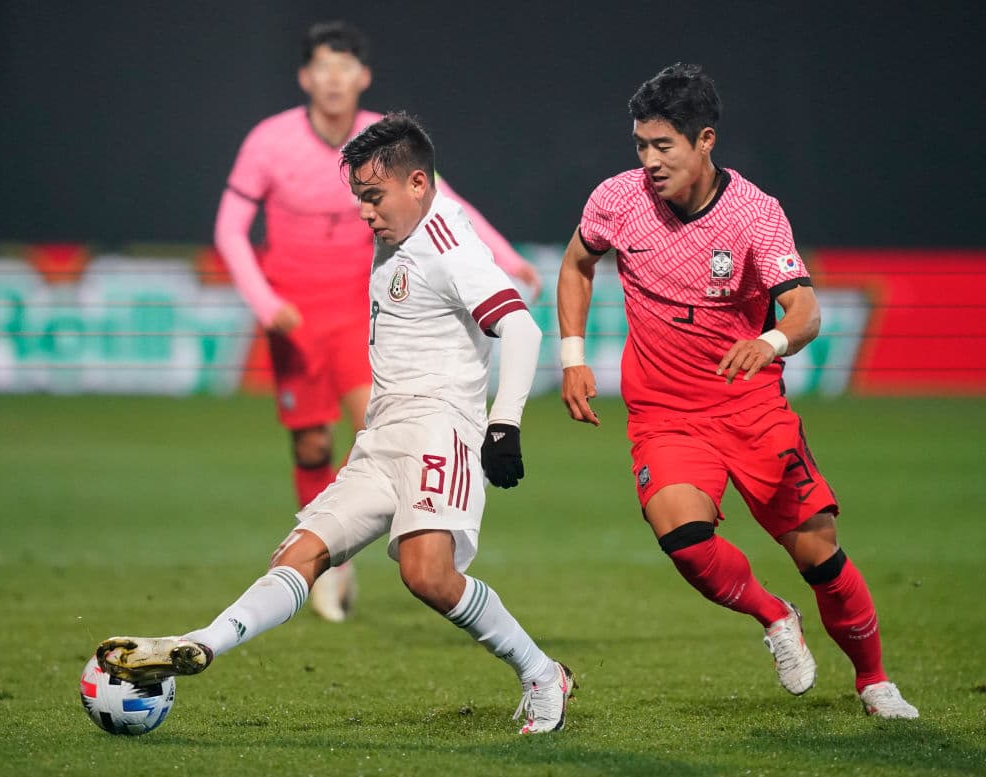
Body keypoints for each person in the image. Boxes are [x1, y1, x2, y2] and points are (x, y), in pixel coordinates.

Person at [98, 114, 574, 735]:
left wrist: (503, 424)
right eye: (359, 199)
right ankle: (202, 642)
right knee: (300, 552)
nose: (364, 213)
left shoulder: (449, 244)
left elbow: (522, 327)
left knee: (427, 575)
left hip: (441, 427)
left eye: (374, 197)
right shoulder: (398, 235)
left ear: (418, 184)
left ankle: (543, 674)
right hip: (381, 432)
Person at [556, 63, 917, 719]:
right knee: (684, 539)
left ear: (705, 141)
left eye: (663, 145)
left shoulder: (755, 214)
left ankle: (874, 681)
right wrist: (573, 354)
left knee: (819, 554)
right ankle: (774, 615)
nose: (649, 161)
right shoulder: (617, 199)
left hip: (750, 410)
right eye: (640, 145)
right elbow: (578, 262)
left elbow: (805, 311)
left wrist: (771, 341)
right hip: (666, 414)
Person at [214, 21, 541, 622]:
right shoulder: (269, 141)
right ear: (305, 77)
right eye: (323, 67)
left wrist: (508, 258)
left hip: (361, 310)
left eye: (344, 67)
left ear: (362, 76)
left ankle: (370, 545)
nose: (333, 80)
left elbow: (442, 199)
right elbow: (229, 230)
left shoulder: (382, 144)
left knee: (379, 423)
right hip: (292, 316)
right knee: (312, 442)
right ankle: (334, 563)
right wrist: (264, 304)